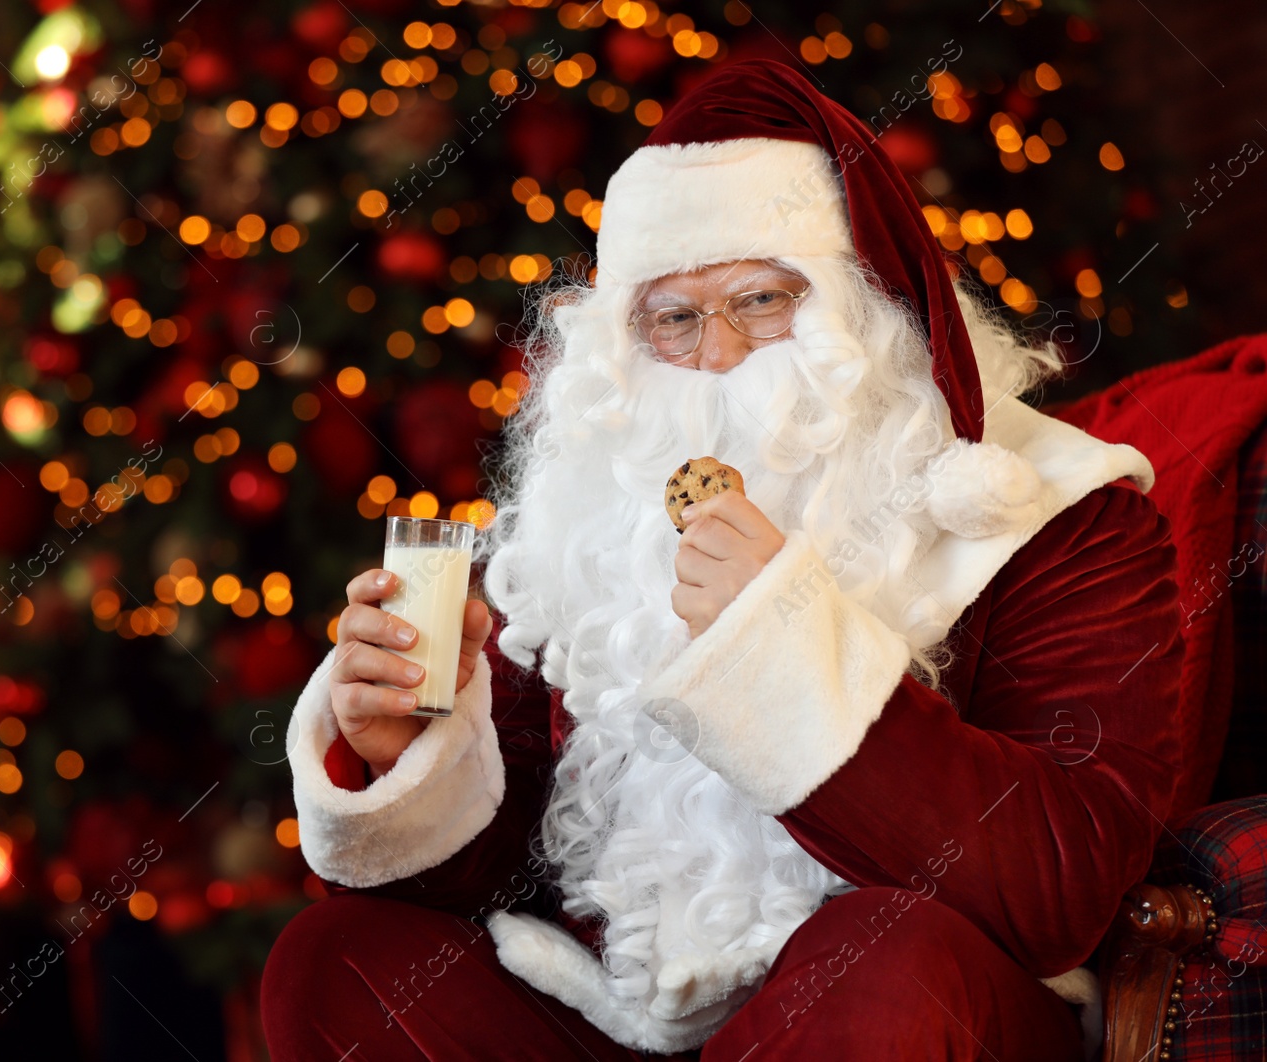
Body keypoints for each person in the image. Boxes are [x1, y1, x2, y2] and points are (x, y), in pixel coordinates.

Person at [261, 58, 1182, 1060]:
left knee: (879, 955)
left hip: (903, 1005)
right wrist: (407, 751)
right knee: (336, 960)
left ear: (864, 305)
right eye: (674, 319)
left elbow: (1063, 890)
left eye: (760, 301)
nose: (720, 359)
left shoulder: (1053, 512)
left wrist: (777, 647)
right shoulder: (592, 521)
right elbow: (485, 879)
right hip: (615, 1013)